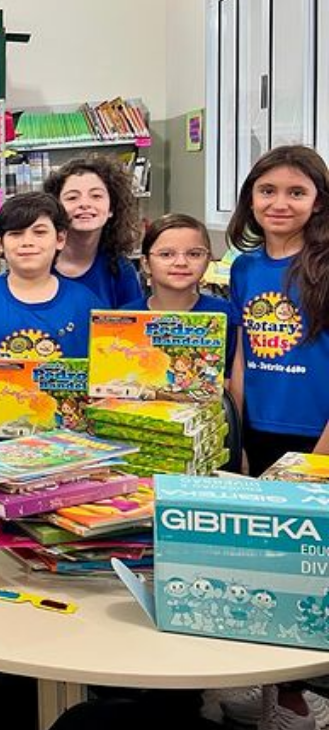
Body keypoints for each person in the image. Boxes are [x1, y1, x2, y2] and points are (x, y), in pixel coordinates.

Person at [222, 144, 329, 730]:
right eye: (267, 191)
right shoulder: (243, 267)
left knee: (302, 572)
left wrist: (322, 449)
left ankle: (291, 701)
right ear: (250, 200)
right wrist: (236, 426)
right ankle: (265, 689)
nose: (279, 203)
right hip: (258, 431)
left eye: (296, 192)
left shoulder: (326, 263)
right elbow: (242, 353)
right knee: (259, 566)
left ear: (318, 201)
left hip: (315, 434)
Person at [0, 192, 102, 369]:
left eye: (39, 232)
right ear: (0, 243)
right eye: (16, 233)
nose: (27, 242)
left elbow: (104, 371)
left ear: (60, 239)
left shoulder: (86, 303)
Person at [123, 213, 239, 380]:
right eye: (166, 254)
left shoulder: (224, 315)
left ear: (208, 261)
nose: (181, 262)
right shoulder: (125, 318)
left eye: (194, 254)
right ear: (146, 263)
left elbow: (231, 377)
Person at [43, 154, 144, 307]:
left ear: (111, 208)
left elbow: (132, 325)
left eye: (96, 196)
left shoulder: (121, 269)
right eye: (72, 198)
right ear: (55, 208)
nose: (85, 204)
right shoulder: (38, 263)